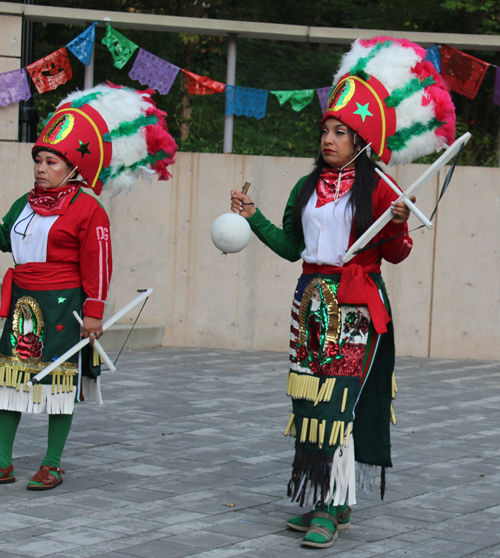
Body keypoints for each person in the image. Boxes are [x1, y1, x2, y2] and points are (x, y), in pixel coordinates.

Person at [231, 36, 456, 548]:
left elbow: (397, 254)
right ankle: (330, 502)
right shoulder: (306, 188)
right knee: (310, 404)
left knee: (339, 406)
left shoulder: (379, 187)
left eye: (340, 131)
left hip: (356, 306)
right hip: (310, 302)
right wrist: (253, 218)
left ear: (361, 139)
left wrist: (396, 224)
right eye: (325, 129)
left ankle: (334, 506)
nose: (328, 138)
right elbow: (293, 248)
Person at [0, 83, 177, 490]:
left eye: (52, 162)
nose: (41, 168)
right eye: (39, 160)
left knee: (58, 383)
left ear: (75, 168)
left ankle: (52, 462)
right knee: (10, 381)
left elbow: (98, 264)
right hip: (23, 302)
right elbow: (3, 236)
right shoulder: (23, 203)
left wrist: (94, 313)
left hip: (65, 304)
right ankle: (2, 460)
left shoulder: (88, 208)